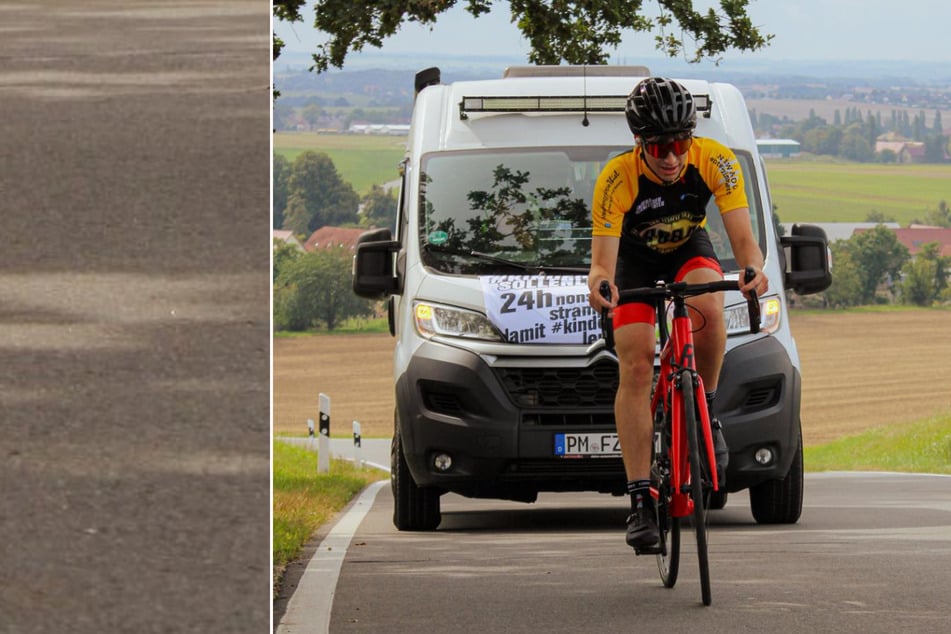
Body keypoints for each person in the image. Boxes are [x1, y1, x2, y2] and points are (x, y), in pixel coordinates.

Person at [587, 77, 769, 552]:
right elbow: (603, 264)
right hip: (634, 261)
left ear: (692, 137)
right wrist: (600, 284)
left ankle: (705, 408)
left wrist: (752, 268)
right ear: (639, 144)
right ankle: (640, 499)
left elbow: (744, 241)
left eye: (679, 142)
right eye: (658, 146)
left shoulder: (716, 160)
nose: (670, 156)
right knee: (637, 361)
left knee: (709, 307)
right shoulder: (616, 178)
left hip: (689, 248)